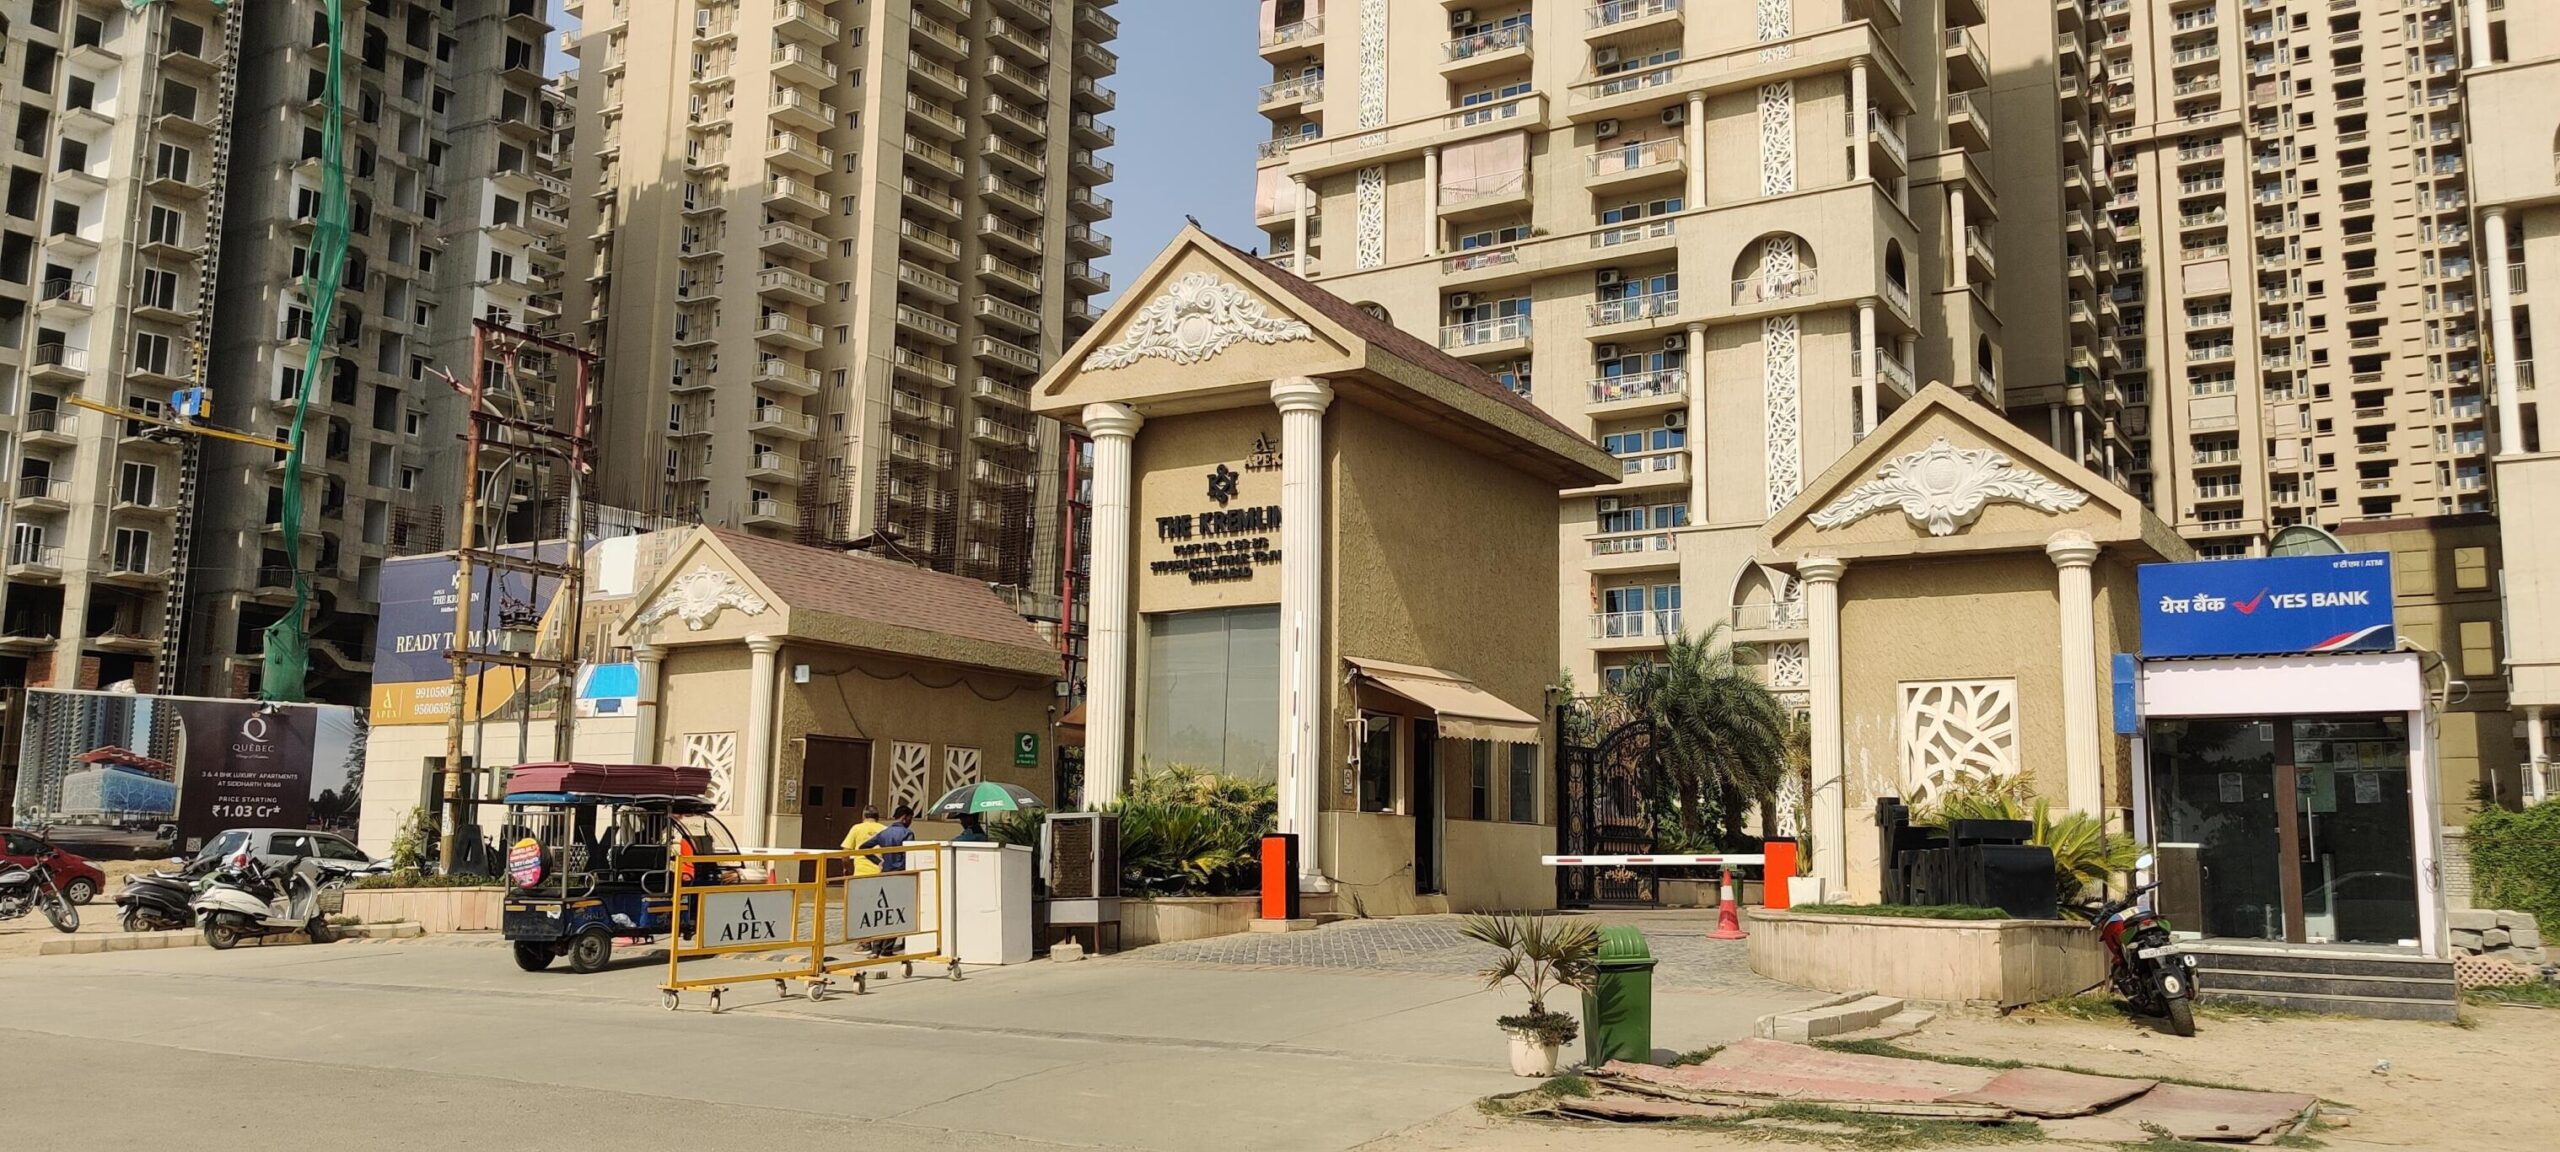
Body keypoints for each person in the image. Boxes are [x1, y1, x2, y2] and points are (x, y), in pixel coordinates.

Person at [860, 805, 915, 874]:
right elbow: (909, 855)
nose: (910, 821)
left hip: (885, 872)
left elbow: (863, 848)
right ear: (904, 817)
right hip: (902, 872)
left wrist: (878, 862)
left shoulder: (883, 833)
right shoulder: (907, 833)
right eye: (910, 818)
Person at [842, 806, 888, 876]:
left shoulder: (856, 828)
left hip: (860, 872)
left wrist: (846, 868)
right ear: (877, 817)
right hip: (880, 872)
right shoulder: (885, 829)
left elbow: (845, 852)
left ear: (863, 816)